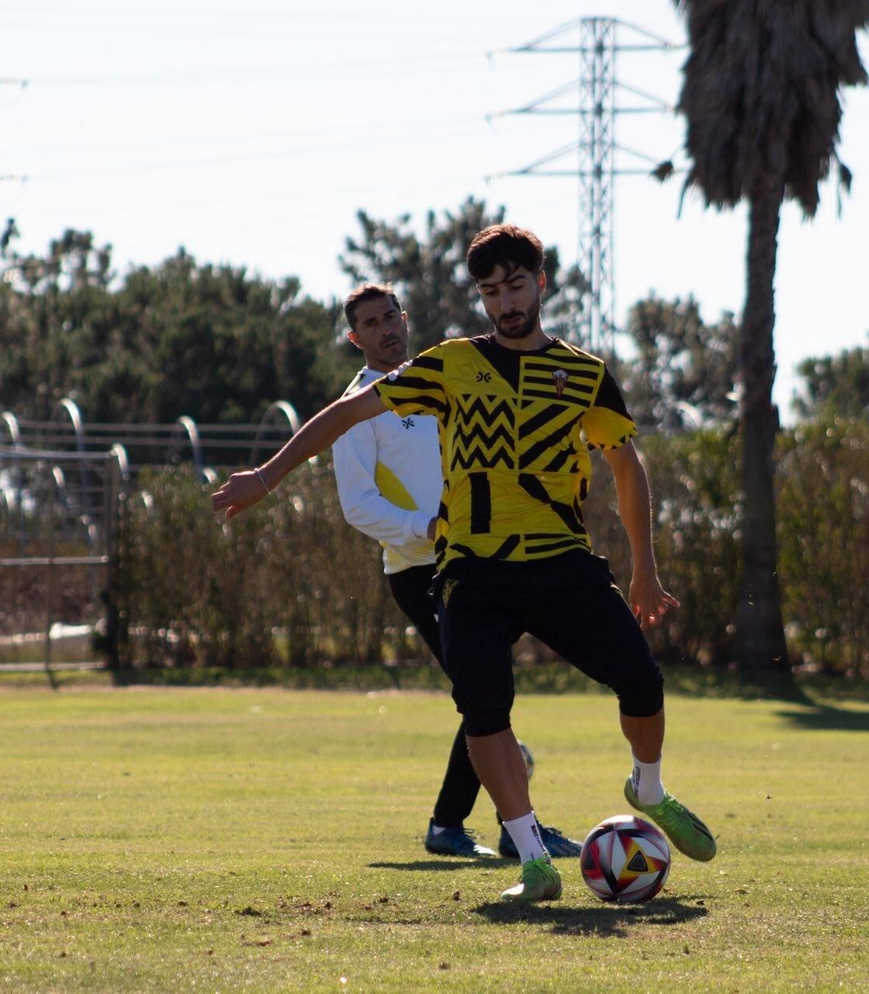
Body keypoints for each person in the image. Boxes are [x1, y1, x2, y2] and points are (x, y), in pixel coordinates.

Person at [214, 225, 716, 903]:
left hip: (561, 562)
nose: (504, 302)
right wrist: (267, 478)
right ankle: (533, 859)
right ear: (479, 298)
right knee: (483, 708)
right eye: (490, 291)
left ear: (540, 284)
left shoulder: (586, 375)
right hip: (472, 569)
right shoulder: (451, 363)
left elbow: (627, 468)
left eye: (514, 285)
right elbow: (347, 412)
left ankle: (647, 788)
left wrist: (645, 569)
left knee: (642, 681)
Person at [331, 282, 582, 862]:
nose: (385, 329)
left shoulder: (445, 378)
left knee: (485, 693)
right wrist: (427, 528)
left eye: (390, 316)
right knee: (485, 695)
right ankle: (492, 828)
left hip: (482, 557)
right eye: (370, 324)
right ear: (355, 338)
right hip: (422, 571)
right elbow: (358, 505)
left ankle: (475, 825)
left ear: (406, 317)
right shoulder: (357, 407)